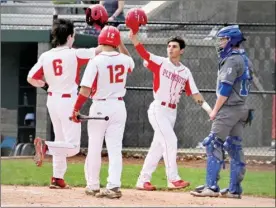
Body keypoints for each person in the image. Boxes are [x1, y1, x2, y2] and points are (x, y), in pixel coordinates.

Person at [128, 31, 213, 191]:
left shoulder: (185, 72)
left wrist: (209, 110)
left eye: (174, 46)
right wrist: (134, 39)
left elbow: (195, 94)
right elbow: (144, 54)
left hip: (171, 112)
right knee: (171, 141)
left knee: (158, 147)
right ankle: (173, 179)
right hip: (158, 108)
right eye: (169, 46)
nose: (170, 49)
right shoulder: (161, 63)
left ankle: (143, 180)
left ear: (181, 51)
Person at [27, 18, 102, 189]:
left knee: (61, 140)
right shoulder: (74, 53)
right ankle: (46, 146)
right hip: (68, 101)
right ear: (69, 37)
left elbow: (31, 77)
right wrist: (105, 31)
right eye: (73, 35)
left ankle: (57, 177)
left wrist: (45, 85)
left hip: (52, 100)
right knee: (73, 147)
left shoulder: (46, 55)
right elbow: (99, 50)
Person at [70, 25, 134, 199]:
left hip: (100, 106)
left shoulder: (96, 60)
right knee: (115, 148)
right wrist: (121, 44)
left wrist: (76, 108)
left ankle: (93, 185)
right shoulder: (124, 59)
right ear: (116, 42)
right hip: (119, 107)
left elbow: (84, 89)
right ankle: (114, 186)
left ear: (101, 40)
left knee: (95, 147)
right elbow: (131, 62)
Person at [190, 25, 253, 199]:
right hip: (242, 108)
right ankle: (234, 189)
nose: (220, 43)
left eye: (223, 39)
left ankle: (211, 187)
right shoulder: (245, 59)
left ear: (231, 40)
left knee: (213, 143)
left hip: (229, 109)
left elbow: (225, 89)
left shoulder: (232, 60)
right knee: (234, 146)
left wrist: (214, 111)